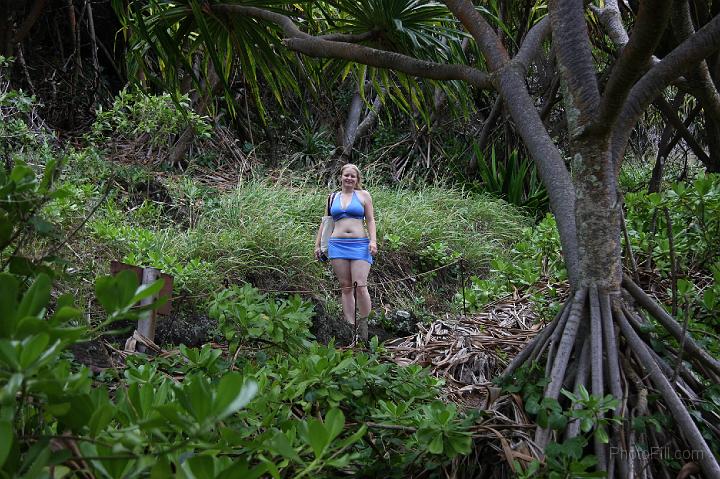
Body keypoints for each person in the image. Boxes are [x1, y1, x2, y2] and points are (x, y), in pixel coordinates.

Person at [315, 163, 377, 342]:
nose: (349, 178)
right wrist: (317, 245)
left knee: (360, 284)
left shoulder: (364, 195)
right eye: (346, 175)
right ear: (340, 177)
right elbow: (325, 222)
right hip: (337, 244)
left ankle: (365, 325)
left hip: (360, 244)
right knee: (345, 286)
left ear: (357, 179)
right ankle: (350, 326)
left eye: (353, 176)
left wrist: (373, 241)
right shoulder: (332, 197)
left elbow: (371, 220)